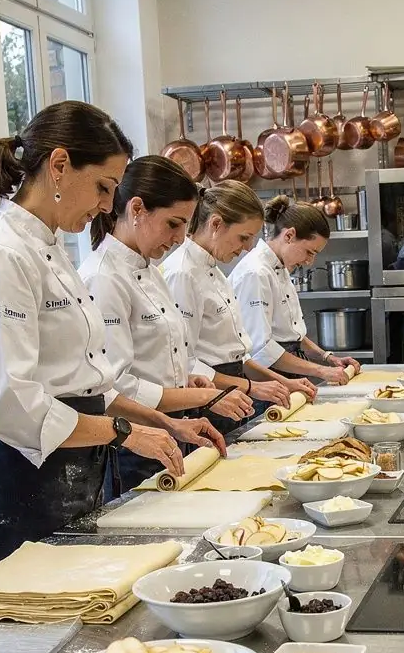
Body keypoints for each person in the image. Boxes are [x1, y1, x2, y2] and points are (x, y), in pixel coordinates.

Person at [0, 104, 196, 568]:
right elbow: (14, 404)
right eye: (102, 187)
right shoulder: (2, 252)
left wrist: (157, 423)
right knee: (39, 627)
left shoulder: (52, 249)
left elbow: (89, 382)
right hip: (25, 478)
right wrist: (123, 433)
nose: (105, 205)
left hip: (78, 463)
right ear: (58, 166)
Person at [79, 156, 252, 493]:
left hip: (170, 426)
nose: (179, 238)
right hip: (134, 442)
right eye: (173, 224)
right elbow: (115, 385)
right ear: (137, 209)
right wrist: (204, 395)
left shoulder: (150, 270)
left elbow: (159, 355)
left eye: (184, 226)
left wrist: (186, 380)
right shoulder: (104, 277)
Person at [163, 181, 316, 433]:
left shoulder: (215, 272)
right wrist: (251, 387)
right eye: (243, 237)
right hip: (209, 398)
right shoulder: (182, 274)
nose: (247, 247)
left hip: (233, 389)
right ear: (215, 224)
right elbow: (187, 363)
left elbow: (239, 354)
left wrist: (281, 382)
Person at [230, 196, 360, 385]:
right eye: (309, 252)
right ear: (289, 235)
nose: (309, 261)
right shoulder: (255, 273)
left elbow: (292, 335)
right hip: (268, 379)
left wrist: (328, 358)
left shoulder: (280, 269)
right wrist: (320, 370)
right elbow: (261, 349)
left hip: (287, 369)